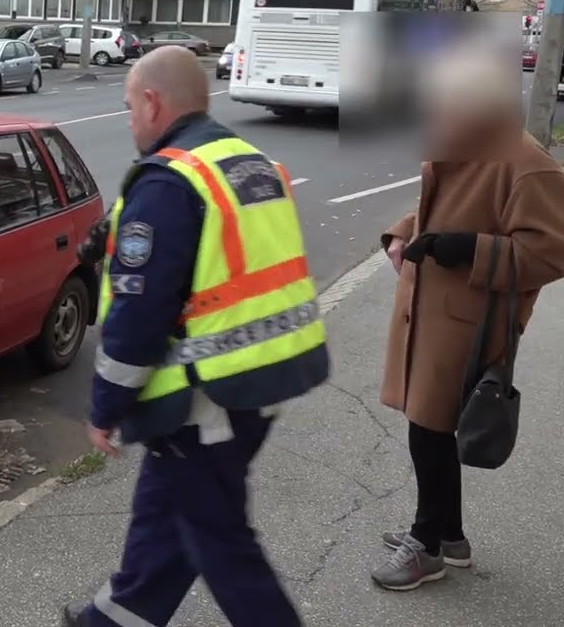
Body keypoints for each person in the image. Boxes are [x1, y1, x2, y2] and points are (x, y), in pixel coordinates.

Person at [64, 46, 330, 627]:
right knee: (167, 525)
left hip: (206, 396)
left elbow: (138, 318)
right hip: (262, 377)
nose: (129, 119)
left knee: (221, 543)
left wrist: (104, 409)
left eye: (130, 106)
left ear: (153, 103)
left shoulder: (168, 183)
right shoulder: (246, 161)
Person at [370, 41, 564, 590]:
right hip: (432, 314)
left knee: (430, 431)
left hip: (469, 323)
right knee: (426, 427)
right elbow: (439, 212)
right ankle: (448, 536)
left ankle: (427, 544)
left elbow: (552, 251)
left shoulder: (524, 162)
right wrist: (405, 234)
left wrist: (469, 250)